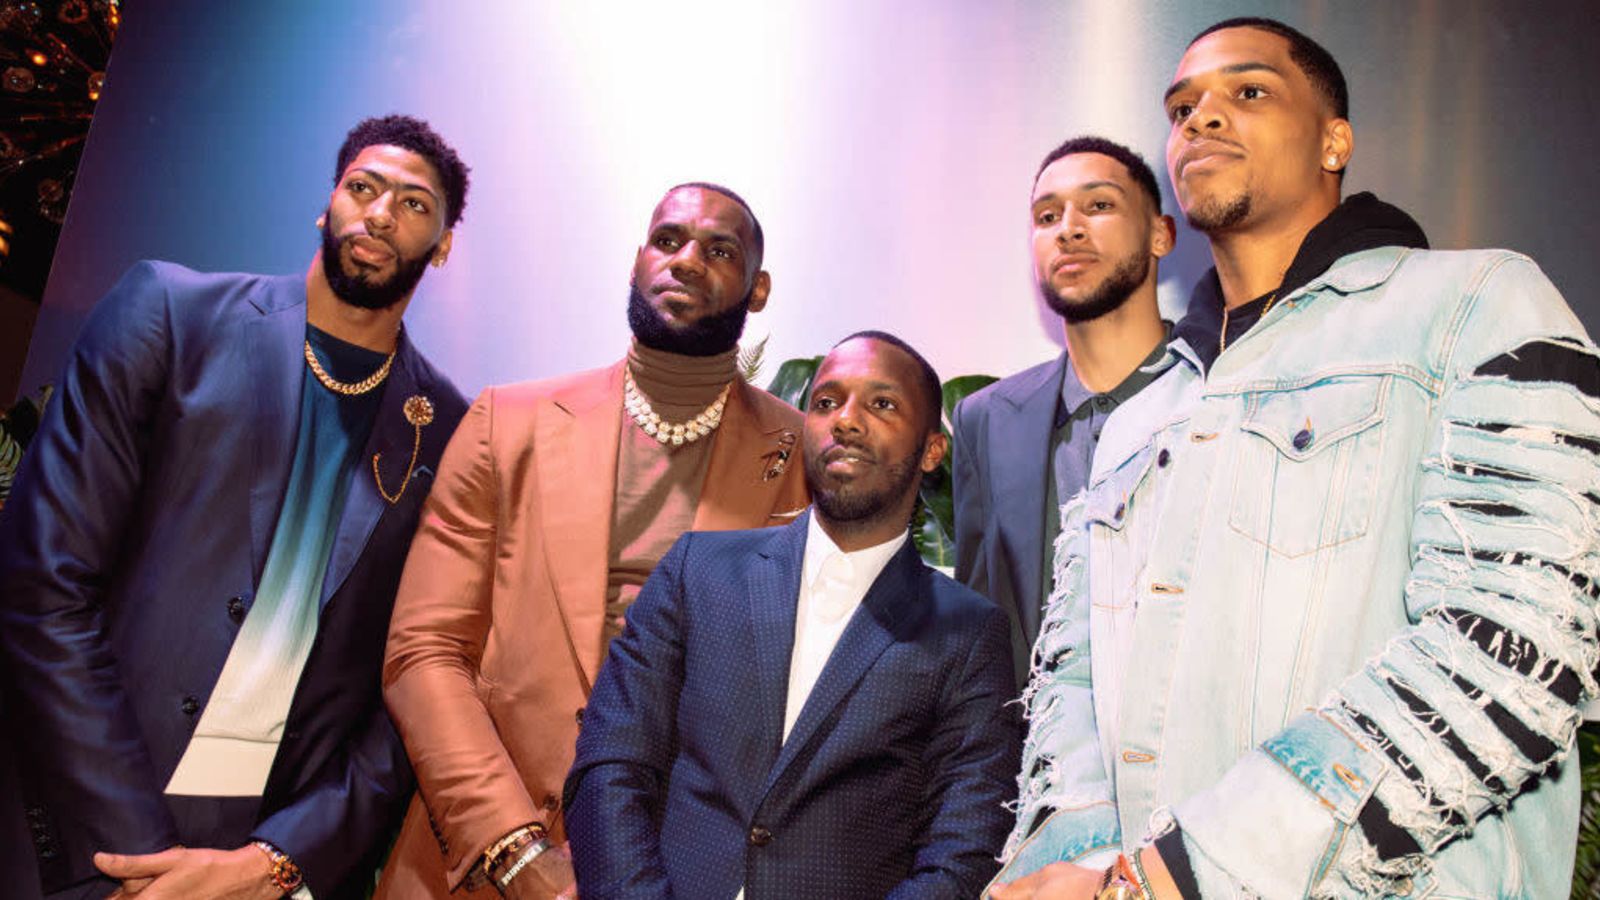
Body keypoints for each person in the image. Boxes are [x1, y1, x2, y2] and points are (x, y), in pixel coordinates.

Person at [991, 17, 1600, 900]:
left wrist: (1179, 876)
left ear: (1333, 141)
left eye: (1248, 91)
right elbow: (1075, 683)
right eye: (1182, 108)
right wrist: (1079, 870)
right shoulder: (1139, 416)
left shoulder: (1477, 304)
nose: (1201, 118)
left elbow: (1512, 648)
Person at [0, 114, 472, 899]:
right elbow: (42, 583)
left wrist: (275, 861)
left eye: (415, 204)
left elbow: (411, 684)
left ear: (443, 244)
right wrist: (141, 855)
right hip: (80, 823)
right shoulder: (171, 315)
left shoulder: (450, 431)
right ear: (327, 207)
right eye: (363, 187)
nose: (382, 213)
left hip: (258, 860)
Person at [376, 184, 809, 899]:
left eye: (720, 250)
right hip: (482, 858)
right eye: (668, 241)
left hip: (680, 870)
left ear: (757, 289)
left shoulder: (803, 456)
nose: (687, 261)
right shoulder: (507, 423)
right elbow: (424, 651)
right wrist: (515, 849)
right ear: (638, 261)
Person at [565, 330, 1022, 899]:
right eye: (827, 402)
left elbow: (963, 852)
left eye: (882, 404)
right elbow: (611, 762)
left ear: (932, 451)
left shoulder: (967, 632)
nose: (846, 420)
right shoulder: (697, 571)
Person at [953, 136, 1176, 688]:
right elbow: (978, 634)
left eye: (1099, 205)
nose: (1068, 229)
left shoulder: (1222, 393)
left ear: (1160, 234)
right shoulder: (985, 421)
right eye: (1047, 216)